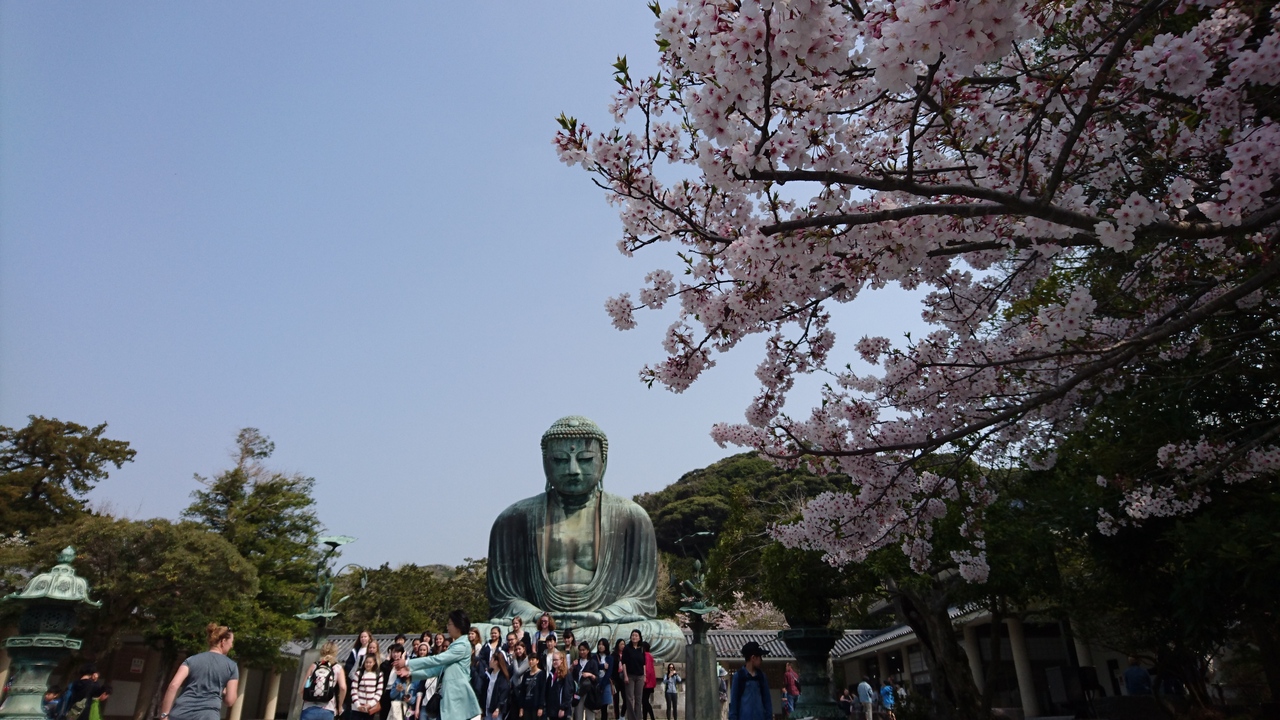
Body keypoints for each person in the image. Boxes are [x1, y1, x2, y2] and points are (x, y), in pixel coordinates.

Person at [484, 418, 685, 660]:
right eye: (559, 460)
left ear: (604, 462)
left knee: (668, 636)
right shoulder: (514, 519)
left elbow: (641, 600)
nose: (572, 469)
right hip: (539, 626)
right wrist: (539, 617)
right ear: (545, 463)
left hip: (602, 624)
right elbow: (505, 600)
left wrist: (602, 615)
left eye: (586, 459)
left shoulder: (631, 517)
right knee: (480, 633)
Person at [396, 610, 483, 720]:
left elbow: (437, 659)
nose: (447, 627)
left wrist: (408, 662)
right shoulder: (456, 645)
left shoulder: (462, 646)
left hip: (457, 696)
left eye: (449, 624)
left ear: (458, 626)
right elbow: (436, 670)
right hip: (448, 697)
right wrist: (411, 674)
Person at [160, 623, 240, 720]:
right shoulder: (231, 666)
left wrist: (164, 714)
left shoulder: (191, 660)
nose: (231, 646)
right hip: (208, 715)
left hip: (181, 713)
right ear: (223, 641)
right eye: (231, 642)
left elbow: (173, 686)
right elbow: (230, 701)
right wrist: (222, 690)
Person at [300, 641, 349, 720]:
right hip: (328, 709)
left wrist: (307, 699)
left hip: (309, 709)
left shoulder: (314, 666)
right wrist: (339, 706)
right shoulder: (338, 668)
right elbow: (343, 688)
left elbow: (303, 689)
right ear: (335, 652)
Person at [728, 642, 770, 720]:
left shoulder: (761, 677)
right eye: (759, 657)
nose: (761, 660)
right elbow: (734, 702)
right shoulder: (739, 676)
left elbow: (767, 701)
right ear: (753, 658)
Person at [620, 632, 646, 720]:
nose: (634, 637)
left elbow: (644, 663)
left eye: (636, 636)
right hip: (630, 676)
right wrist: (625, 675)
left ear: (639, 638)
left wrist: (645, 675)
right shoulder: (627, 648)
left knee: (639, 699)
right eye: (633, 635)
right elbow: (623, 663)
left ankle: (638, 718)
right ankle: (631, 718)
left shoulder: (642, 648)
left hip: (640, 676)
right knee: (629, 698)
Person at [352, 652, 386, 720]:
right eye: (366, 662)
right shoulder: (358, 674)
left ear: (374, 663)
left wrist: (370, 704)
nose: (368, 664)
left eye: (370, 662)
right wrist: (358, 705)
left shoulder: (379, 675)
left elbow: (379, 692)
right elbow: (354, 691)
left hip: (370, 708)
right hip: (357, 708)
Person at [572, 643, 601, 720]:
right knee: (578, 714)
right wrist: (572, 666)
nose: (582, 652)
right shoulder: (576, 662)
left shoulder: (593, 662)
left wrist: (590, 675)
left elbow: (597, 678)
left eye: (583, 650)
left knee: (590, 715)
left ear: (588, 651)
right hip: (578, 691)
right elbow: (572, 676)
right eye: (580, 650)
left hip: (589, 692)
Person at [482, 651, 512, 720]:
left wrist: (498, 708)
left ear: (496, 662)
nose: (490, 661)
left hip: (496, 709)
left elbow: (503, 693)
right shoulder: (488, 674)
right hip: (487, 708)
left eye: (491, 659)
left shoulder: (502, 677)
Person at [520, 653, 548, 720]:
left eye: (532, 659)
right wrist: (521, 707)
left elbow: (542, 691)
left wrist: (541, 707)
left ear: (537, 661)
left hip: (536, 705)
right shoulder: (526, 674)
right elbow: (522, 691)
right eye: (529, 660)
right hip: (526, 705)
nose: (531, 662)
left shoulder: (541, 674)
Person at [547, 654, 574, 720]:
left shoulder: (566, 674)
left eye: (556, 660)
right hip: (552, 710)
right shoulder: (551, 673)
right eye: (553, 660)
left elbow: (568, 692)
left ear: (561, 660)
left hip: (562, 710)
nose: (554, 662)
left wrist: (563, 708)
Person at [593, 640, 614, 720]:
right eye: (599, 644)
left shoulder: (610, 658)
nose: (600, 646)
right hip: (596, 682)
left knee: (604, 706)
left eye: (602, 645)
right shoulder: (595, 657)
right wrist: (602, 666)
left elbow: (609, 672)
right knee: (596, 704)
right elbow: (593, 667)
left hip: (606, 683)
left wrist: (602, 685)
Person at [611, 641, 628, 720]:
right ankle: (617, 717)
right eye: (621, 644)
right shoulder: (613, 655)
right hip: (615, 679)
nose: (623, 646)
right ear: (617, 645)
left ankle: (622, 715)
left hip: (624, 679)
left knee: (626, 699)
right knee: (616, 700)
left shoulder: (627, 655)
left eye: (624, 644)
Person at [640, 644, 656, 720]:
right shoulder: (649, 656)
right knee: (644, 701)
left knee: (644, 701)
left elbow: (648, 669)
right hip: (648, 681)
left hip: (647, 682)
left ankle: (652, 717)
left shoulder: (646, 656)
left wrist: (645, 679)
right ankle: (645, 718)